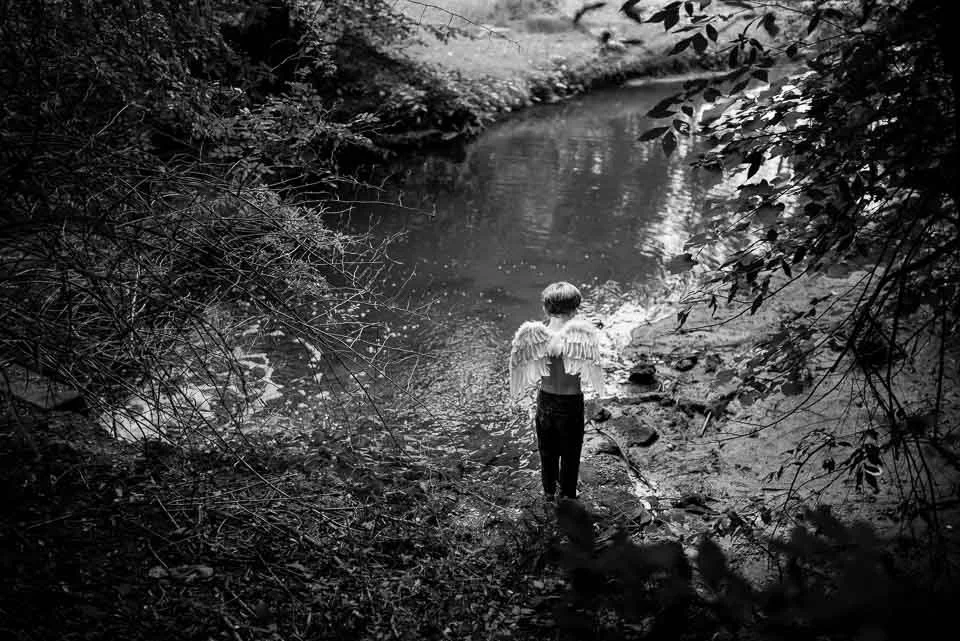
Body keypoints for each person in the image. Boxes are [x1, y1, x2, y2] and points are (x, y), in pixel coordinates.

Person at [510, 282, 604, 502]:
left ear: (546, 309)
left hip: (545, 402)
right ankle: (569, 495)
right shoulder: (582, 336)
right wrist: (591, 327)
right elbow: (579, 342)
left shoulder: (534, 336)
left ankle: (548, 492)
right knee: (571, 454)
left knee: (547, 452)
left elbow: (555, 339)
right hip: (571, 403)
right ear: (575, 309)